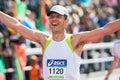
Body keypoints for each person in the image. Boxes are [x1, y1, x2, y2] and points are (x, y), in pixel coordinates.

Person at [0, 5, 120, 80]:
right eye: (52, 16)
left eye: (58, 16)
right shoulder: (44, 40)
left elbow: (106, 29)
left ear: (66, 21)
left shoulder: (75, 40)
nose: (54, 19)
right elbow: (16, 25)